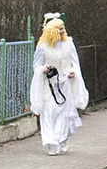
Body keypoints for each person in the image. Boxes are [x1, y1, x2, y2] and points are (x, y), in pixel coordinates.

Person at [30, 15, 89, 156]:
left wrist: (73, 73)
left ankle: (62, 138)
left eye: (63, 28)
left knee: (63, 113)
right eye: (60, 29)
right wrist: (44, 70)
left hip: (65, 84)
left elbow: (75, 63)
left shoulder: (69, 43)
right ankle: (51, 142)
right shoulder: (42, 46)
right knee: (49, 111)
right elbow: (36, 65)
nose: (63, 31)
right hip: (49, 85)